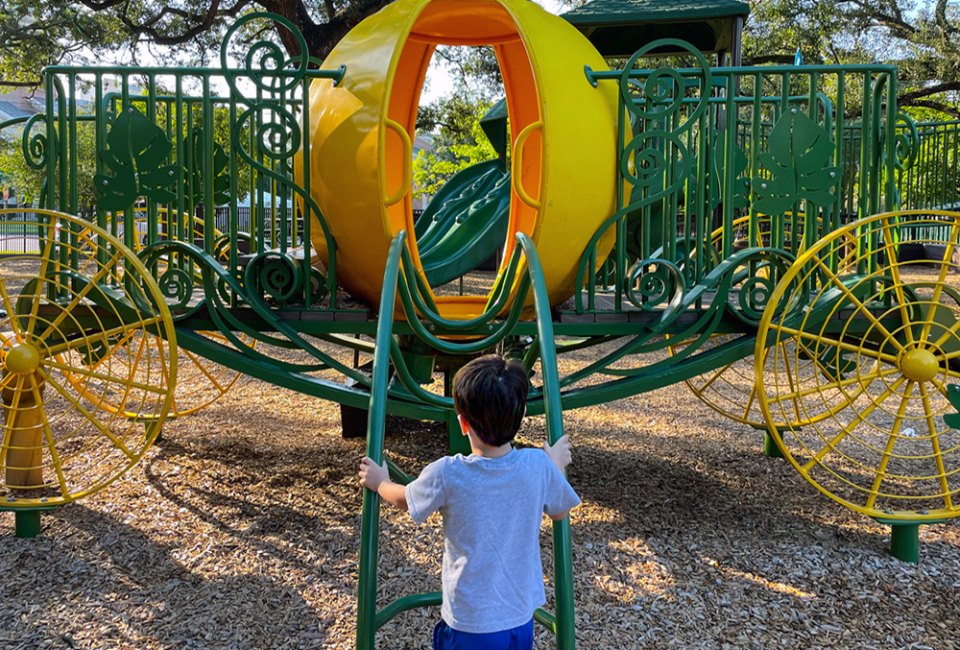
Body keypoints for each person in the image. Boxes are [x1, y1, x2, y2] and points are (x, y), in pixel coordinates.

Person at [359, 354, 580, 650]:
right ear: (522, 413)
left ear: (462, 423)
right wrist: (554, 468)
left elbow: (407, 500)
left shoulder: (448, 473)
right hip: (519, 617)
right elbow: (560, 511)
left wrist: (380, 482)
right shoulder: (537, 466)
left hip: (470, 622)